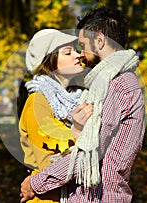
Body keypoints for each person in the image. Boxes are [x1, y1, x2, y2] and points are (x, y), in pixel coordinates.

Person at [20, 6, 146, 203]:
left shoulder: (117, 85)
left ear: (99, 40)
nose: (81, 54)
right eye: (69, 51)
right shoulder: (102, 86)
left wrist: (35, 184)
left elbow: (88, 154)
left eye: (82, 45)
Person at [18, 29, 93, 203]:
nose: (77, 56)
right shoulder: (38, 102)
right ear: (49, 62)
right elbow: (48, 163)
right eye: (68, 52)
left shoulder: (80, 99)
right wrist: (76, 130)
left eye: (75, 50)